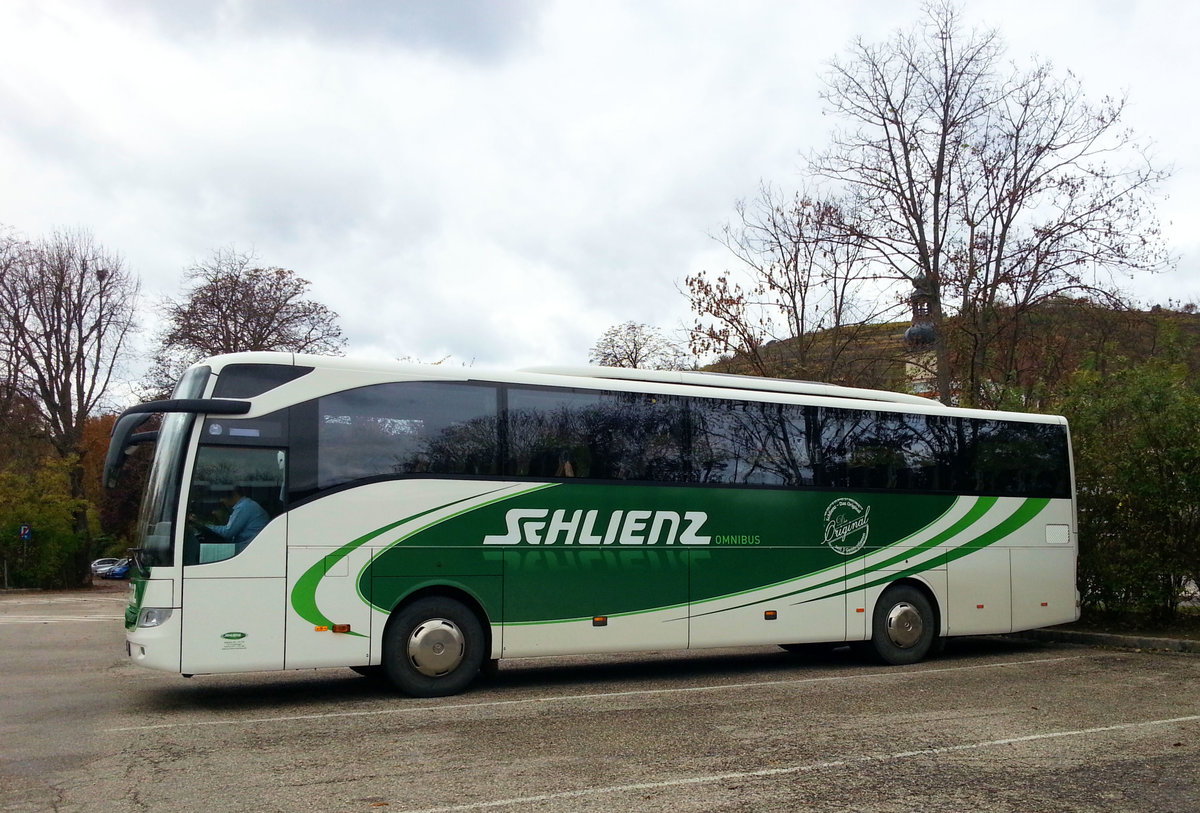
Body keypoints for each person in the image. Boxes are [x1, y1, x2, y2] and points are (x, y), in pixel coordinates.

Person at [201, 487, 270, 551]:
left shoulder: (244, 507)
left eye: (223, 497)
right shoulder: (246, 505)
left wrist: (204, 524)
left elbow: (228, 532)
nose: (221, 500)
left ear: (234, 494)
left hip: (249, 547)